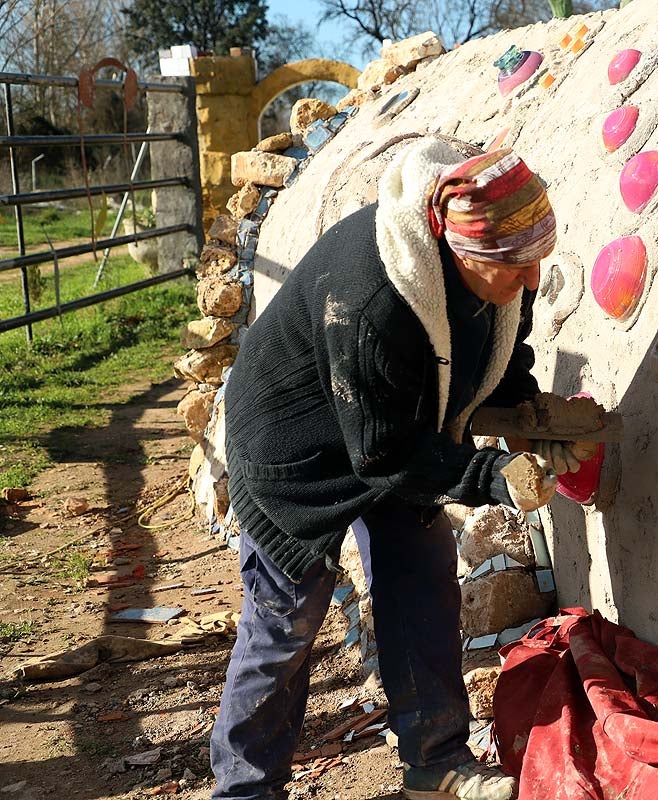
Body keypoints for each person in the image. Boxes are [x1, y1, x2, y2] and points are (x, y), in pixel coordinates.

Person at [210, 138, 589, 800]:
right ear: (456, 252)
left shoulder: (495, 257)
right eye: (515, 268)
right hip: (290, 448)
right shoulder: (374, 299)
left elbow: (501, 351)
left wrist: (530, 416)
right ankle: (245, 790)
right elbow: (383, 457)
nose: (530, 281)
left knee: (422, 583)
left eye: (537, 263)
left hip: (386, 425)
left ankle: (436, 761)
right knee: (286, 624)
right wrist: (493, 477)